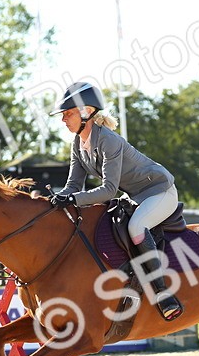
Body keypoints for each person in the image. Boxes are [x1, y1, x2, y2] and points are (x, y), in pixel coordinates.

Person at [49, 81, 183, 321]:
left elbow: (108, 190)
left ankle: (163, 292)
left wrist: (72, 198)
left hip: (159, 191)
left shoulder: (108, 140)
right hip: (135, 196)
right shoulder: (78, 145)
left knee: (136, 227)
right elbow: (73, 185)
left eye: (67, 114)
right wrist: (58, 199)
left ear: (86, 112)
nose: (63, 120)